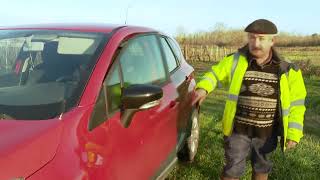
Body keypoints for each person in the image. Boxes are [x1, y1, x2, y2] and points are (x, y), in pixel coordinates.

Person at [194, 19, 306, 180]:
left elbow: (297, 102)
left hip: (267, 133)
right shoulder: (235, 60)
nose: (256, 42)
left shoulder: (288, 69)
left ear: (272, 41)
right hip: (238, 130)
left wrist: (294, 133)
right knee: (232, 168)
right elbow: (215, 74)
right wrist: (203, 88)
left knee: (262, 167)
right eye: (252, 37)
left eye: (261, 38)